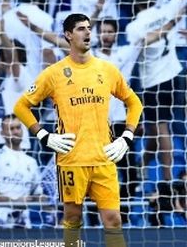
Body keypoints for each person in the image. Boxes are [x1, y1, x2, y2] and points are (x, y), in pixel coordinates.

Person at [14, 13, 143, 247]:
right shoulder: (54, 73)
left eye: (89, 28)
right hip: (72, 159)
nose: (87, 33)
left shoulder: (107, 70)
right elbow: (21, 105)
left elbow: (134, 102)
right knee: (73, 218)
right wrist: (44, 135)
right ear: (68, 35)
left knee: (113, 220)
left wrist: (126, 136)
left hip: (104, 158)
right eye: (81, 29)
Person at [0, 115, 49, 228]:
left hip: (22, 223)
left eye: (18, 128)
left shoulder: (31, 162)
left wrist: (46, 200)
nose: (16, 131)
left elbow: (37, 193)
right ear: (2, 133)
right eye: (11, 129)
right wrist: (15, 201)